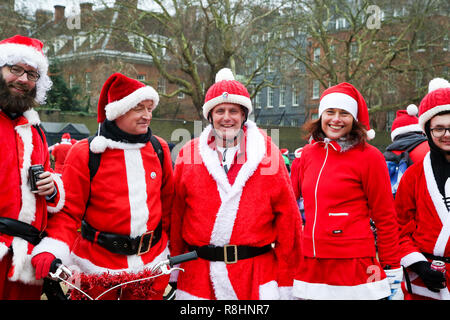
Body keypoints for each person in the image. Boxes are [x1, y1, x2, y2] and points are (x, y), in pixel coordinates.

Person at [31, 73, 175, 300]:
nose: (147, 116)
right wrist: (52, 248)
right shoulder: (85, 152)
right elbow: (68, 212)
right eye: (139, 108)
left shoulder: (159, 148)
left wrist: (172, 254)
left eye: (149, 108)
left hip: (151, 265)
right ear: (118, 111)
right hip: (95, 268)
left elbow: (168, 208)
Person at [169, 68, 302, 300]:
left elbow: (288, 220)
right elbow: (177, 214)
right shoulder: (188, 154)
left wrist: (288, 278)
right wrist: (174, 268)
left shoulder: (268, 154)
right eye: (219, 111)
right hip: (199, 276)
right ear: (210, 116)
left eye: (234, 111)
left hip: (254, 274)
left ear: (243, 115)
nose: (227, 117)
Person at [292, 82, 403, 300]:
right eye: (330, 112)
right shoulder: (307, 155)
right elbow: (287, 205)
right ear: (320, 116)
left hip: (354, 264)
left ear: (353, 120)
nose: (336, 119)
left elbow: (385, 217)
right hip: (311, 263)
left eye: (344, 113)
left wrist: (391, 268)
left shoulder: (369, 157)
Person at [0, 35, 64, 300]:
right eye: (15, 69)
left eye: (32, 74)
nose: (23, 79)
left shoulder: (36, 131)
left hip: (25, 261)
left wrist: (52, 189)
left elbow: (49, 199)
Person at [395, 77, 450, 300]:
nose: (447, 134)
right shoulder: (413, 176)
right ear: (427, 130)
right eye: (439, 129)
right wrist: (418, 265)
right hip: (424, 283)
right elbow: (398, 228)